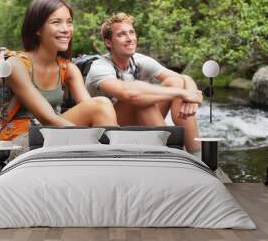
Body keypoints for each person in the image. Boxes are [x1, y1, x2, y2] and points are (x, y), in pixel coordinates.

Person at [85, 13, 202, 152]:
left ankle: (196, 154)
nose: (130, 38)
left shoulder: (139, 60)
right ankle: (167, 151)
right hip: (107, 132)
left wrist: (191, 98)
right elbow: (129, 95)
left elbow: (184, 79)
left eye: (131, 32)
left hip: (136, 122)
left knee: (174, 82)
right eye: (122, 34)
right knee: (141, 99)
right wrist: (183, 93)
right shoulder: (100, 67)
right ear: (108, 42)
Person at [5, 0, 118, 127]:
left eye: (69, 22)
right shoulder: (15, 65)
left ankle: (114, 147)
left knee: (102, 106)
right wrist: (88, 136)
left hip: (50, 135)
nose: (66, 29)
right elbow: (48, 118)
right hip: (17, 140)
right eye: (56, 22)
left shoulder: (68, 69)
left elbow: (91, 107)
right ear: (37, 29)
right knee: (101, 105)